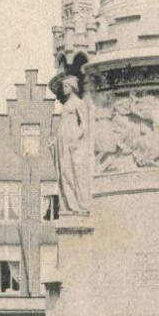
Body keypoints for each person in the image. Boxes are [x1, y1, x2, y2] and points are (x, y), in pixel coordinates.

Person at [52, 74, 90, 214]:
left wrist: (76, 138)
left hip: (71, 143)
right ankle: (70, 205)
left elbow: (84, 125)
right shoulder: (67, 104)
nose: (64, 89)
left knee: (70, 173)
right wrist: (55, 141)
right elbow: (62, 124)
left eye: (66, 86)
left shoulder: (79, 103)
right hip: (62, 143)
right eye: (63, 86)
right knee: (63, 173)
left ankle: (80, 205)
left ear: (73, 87)